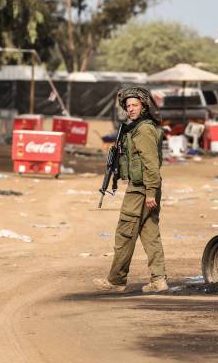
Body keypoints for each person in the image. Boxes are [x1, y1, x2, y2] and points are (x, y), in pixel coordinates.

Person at [93, 87, 168, 293]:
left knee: (125, 233)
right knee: (150, 234)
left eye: (135, 105)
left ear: (144, 106)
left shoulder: (143, 130)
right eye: (128, 106)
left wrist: (151, 191)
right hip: (145, 188)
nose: (131, 109)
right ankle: (159, 280)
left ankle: (116, 280)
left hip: (141, 190)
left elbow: (151, 164)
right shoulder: (138, 128)